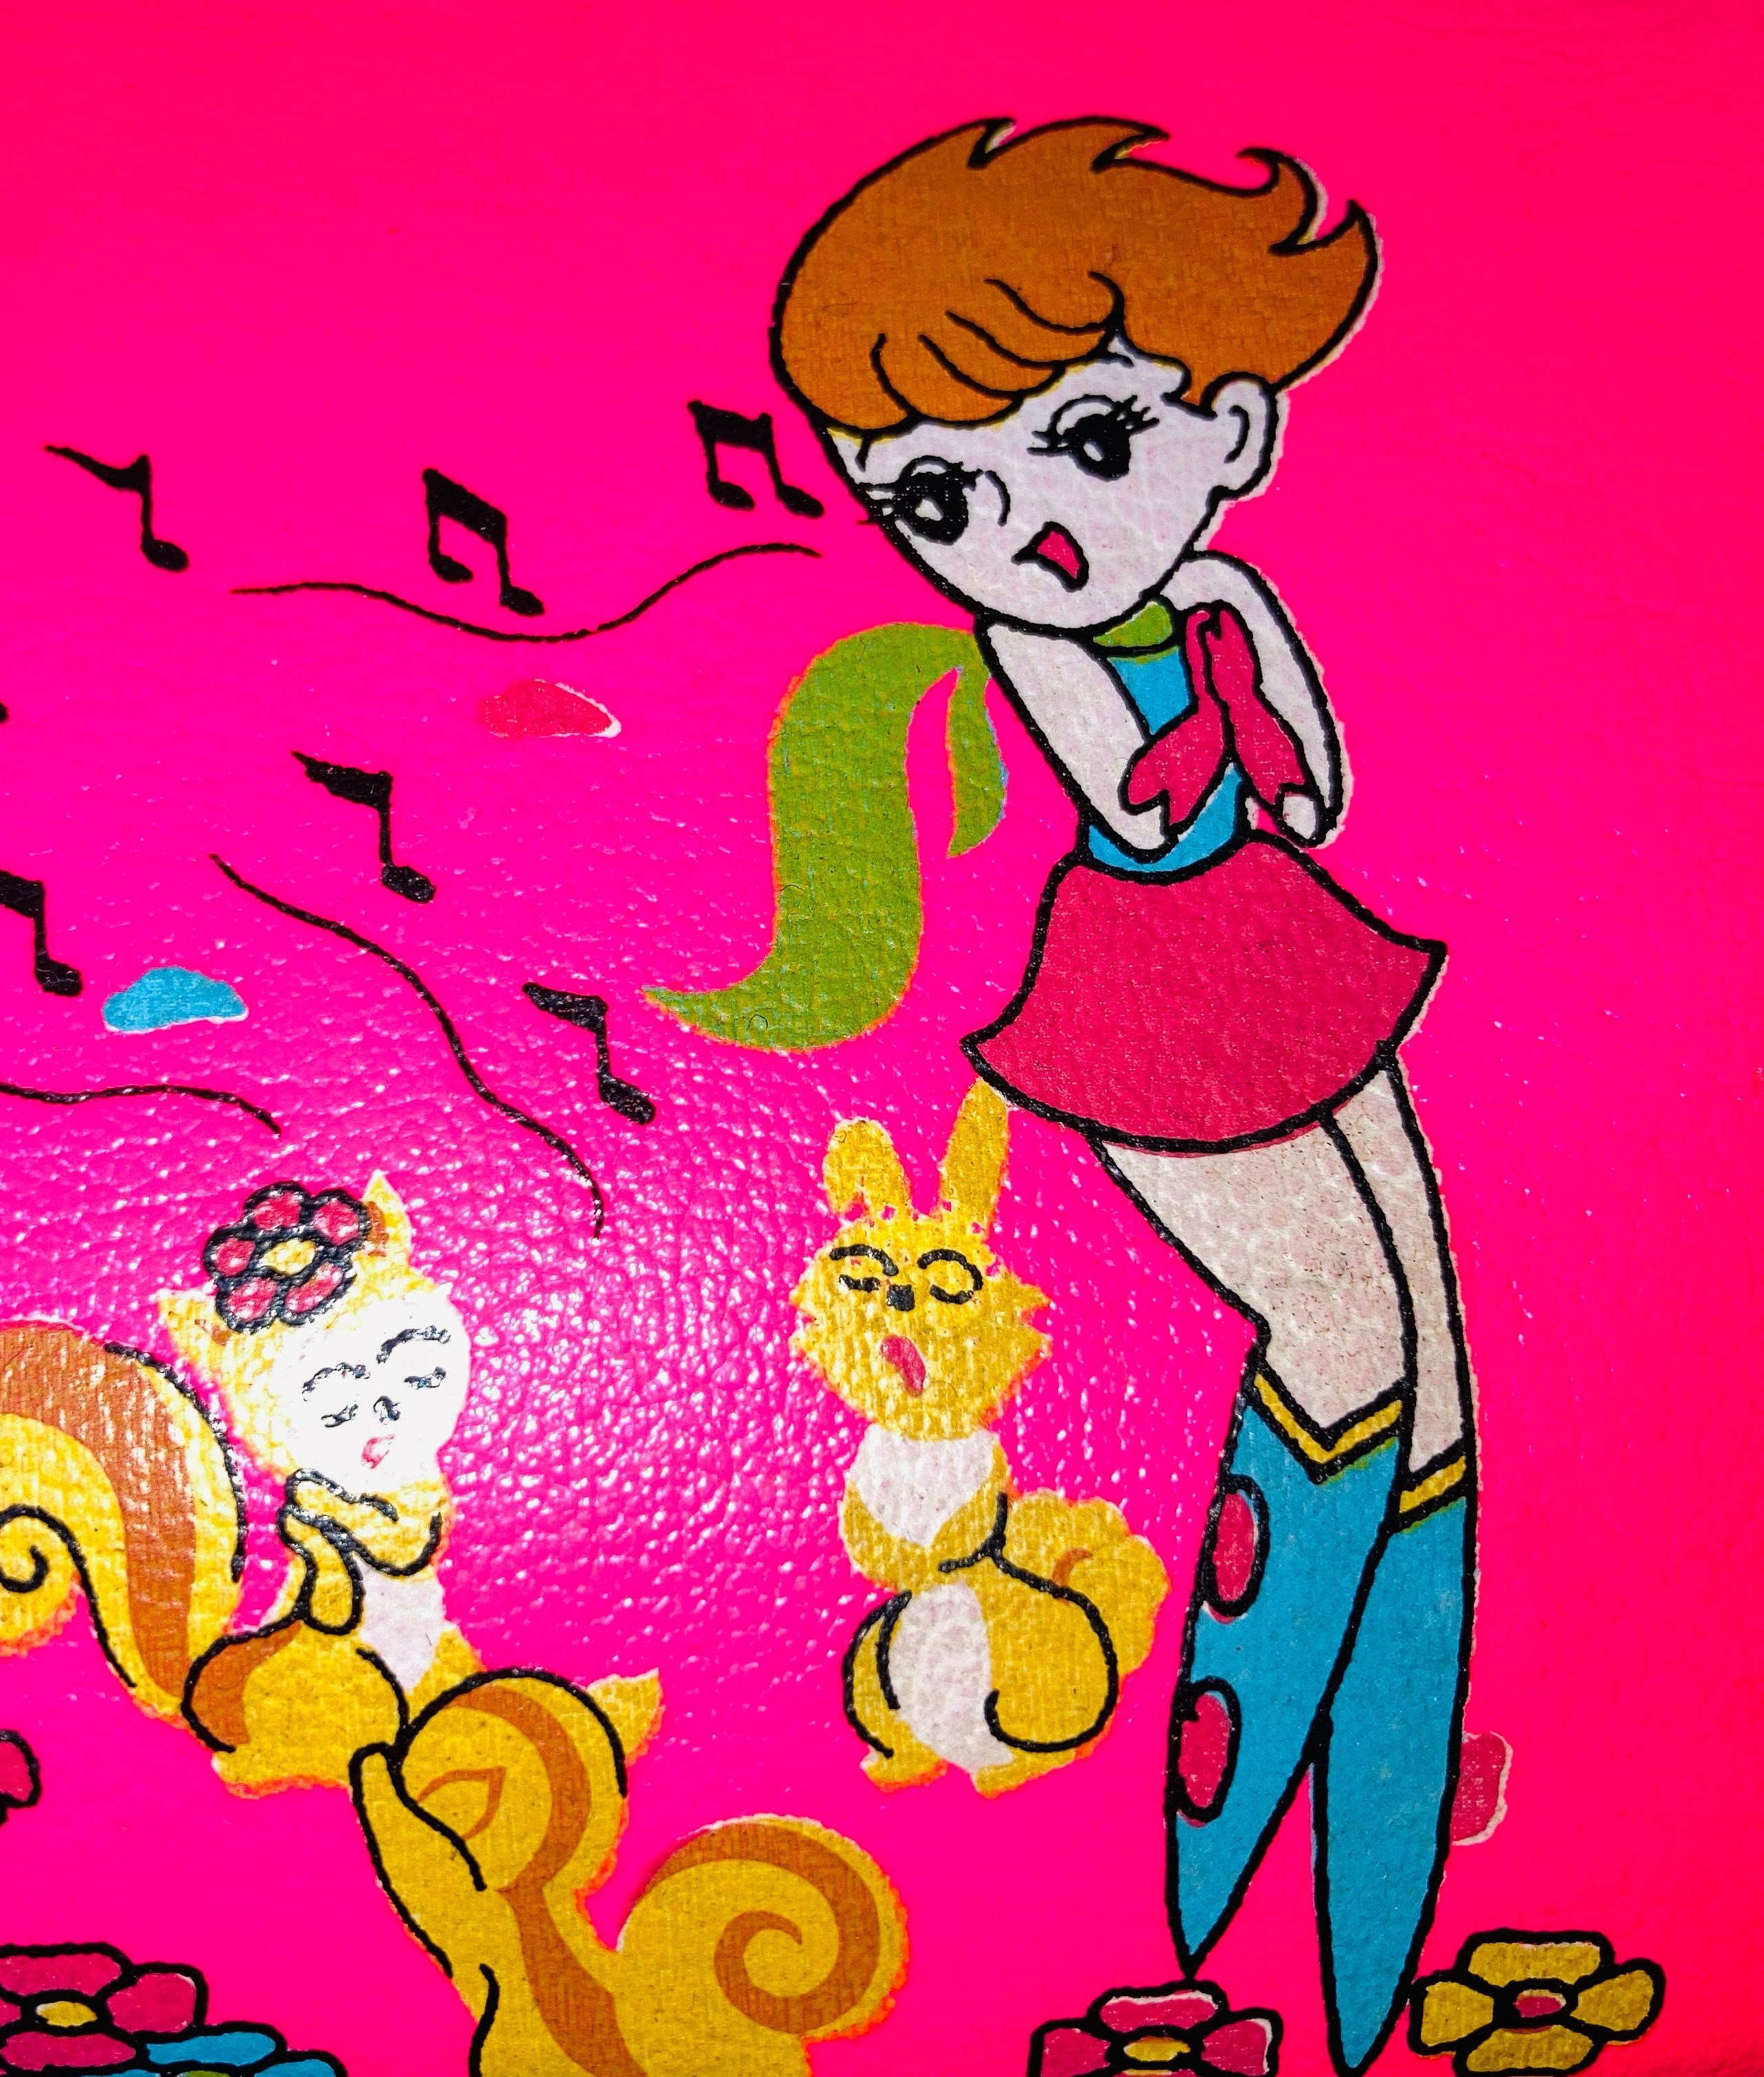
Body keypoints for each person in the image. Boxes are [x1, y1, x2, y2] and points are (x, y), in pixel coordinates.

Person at [751, 118, 1474, 2073]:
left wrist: (1249, 684)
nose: (1023, 530)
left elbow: (1309, 782)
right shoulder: (1032, 633)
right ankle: (1220, 1837)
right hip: (1153, 983)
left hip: (1284, 939)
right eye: (934, 494)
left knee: (1439, 1379)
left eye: (1087, 442)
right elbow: (1144, 806)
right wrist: (1223, 702)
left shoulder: (1224, 588)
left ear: (1230, 430)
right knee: (1343, 1339)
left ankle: (1375, 1877)